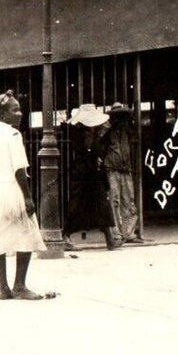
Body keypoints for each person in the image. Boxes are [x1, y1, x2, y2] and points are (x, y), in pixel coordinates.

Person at [0, 90, 46, 301]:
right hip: (12, 188)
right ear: (2, 115)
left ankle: (3, 287)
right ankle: (19, 285)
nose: (20, 113)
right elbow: (19, 169)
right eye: (14, 110)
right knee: (25, 235)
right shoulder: (13, 135)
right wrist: (27, 196)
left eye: (20, 109)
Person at [64, 104, 120, 251]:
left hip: (87, 173)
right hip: (86, 173)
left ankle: (110, 238)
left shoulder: (84, 132)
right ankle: (109, 238)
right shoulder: (86, 134)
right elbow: (93, 151)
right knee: (87, 204)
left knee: (98, 204)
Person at [103, 102, 142, 243]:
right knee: (115, 201)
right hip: (113, 169)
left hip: (125, 169)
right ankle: (117, 233)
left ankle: (128, 232)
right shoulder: (108, 132)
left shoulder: (127, 131)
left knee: (128, 200)